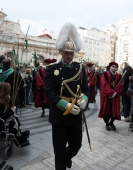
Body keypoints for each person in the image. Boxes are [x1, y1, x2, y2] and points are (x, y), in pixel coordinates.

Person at [44, 23, 89, 170]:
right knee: (59, 151)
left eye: (71, 53)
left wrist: (85, 100)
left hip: (75, 113)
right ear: (60, 51)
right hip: (59, 114)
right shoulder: (51, 69)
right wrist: (64, 104)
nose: (69, 55)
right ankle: (62, 162)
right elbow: (49, 93)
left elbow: (86, 89)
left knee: (76, 145)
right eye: (66, 52)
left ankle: (67, 157)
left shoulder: (79, 68)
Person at [0, 82, 30, 147]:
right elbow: (2, 115)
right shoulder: (1, 102)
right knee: (13, 121)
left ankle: (20, 134)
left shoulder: (3, 99)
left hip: (3, 120)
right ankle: (19, 139)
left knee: (14, 118)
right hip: (2, 122)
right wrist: (12, 110)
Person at [98, 61, 123, 131]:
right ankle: (106, 124)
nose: (114, 68)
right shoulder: (105, 74)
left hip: (115, 97)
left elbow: (121, 85)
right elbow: (104, 84)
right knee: (106, 111)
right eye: (113, 67)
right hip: (106, 96)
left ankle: (111, 123)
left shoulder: (119, 76)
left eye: (115, 67)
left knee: (115, 111)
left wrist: (116, 93)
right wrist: (111, 92)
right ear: (110, 67)